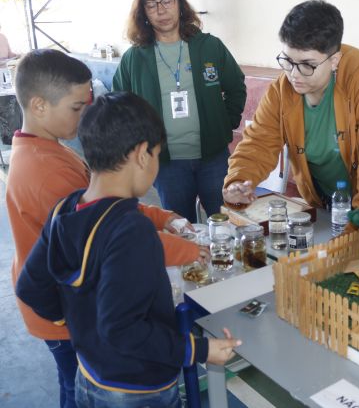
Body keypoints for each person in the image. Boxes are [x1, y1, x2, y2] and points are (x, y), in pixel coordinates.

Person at [16, 91, 241, 408]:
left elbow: (30, 286)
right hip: (137, 390)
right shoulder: (132, 230)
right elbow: (122, 329)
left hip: (90, 375)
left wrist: (77, 323)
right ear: (142, 155)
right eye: (158, 153)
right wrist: (199, 350)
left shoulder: (64, 210)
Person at [223, 0, 359, 212]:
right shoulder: (280, 91)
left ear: (335, 60)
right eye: (287, 61)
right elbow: (259, 144)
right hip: (323, 203)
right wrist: (239, 180)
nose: (294, 74)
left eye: (307, 65)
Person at [113, 0, 247, 223]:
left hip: (213, 158)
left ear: (179, 3)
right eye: (151, 4)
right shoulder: (135, 58)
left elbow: (236, 86)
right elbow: (119, 106)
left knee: (227, 223)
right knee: (181, 229)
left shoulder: (209, 46)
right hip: (167, 164)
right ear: (143, 12)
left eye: (166, 0)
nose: (161, 10)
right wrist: (141, 145)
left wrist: (224, 123)